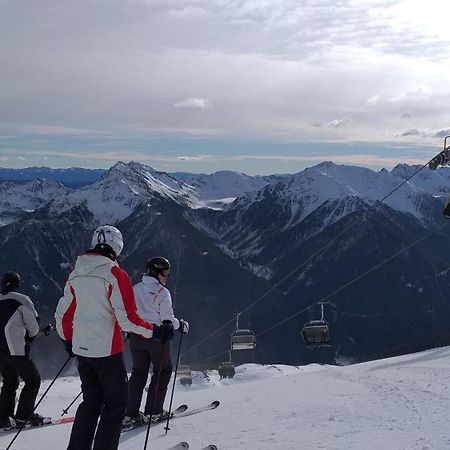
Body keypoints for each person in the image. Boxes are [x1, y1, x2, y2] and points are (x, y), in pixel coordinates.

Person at [55, 225, 165, 450]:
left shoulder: (75, 274)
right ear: (118, 247)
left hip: (83, 352)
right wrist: (155, 331)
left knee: (90, 403)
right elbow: (129, 320)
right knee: (115, 405)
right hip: (107, 352)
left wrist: (69, 341)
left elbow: (62, 315)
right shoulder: (115, 274)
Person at [123, 257, 189, 427]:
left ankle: (129, 414)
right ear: (156, 272)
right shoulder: (162, 292)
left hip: (136, 337)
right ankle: (154, 411)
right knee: (162, 371)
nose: (167, 277)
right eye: (165, 273)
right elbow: (167, 320)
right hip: (157, 339)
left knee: (138, 373)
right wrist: (180, 325)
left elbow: (128, 312)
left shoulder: (135, 289)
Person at [0, 272, 44, 429]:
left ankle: (3, 418)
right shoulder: (21, 299)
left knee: (9, 382)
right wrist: (31, 336)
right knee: (33, 380)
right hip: (16, 349)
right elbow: (33, 325)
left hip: (1, 351)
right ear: (17, 283)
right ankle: (23, 418)